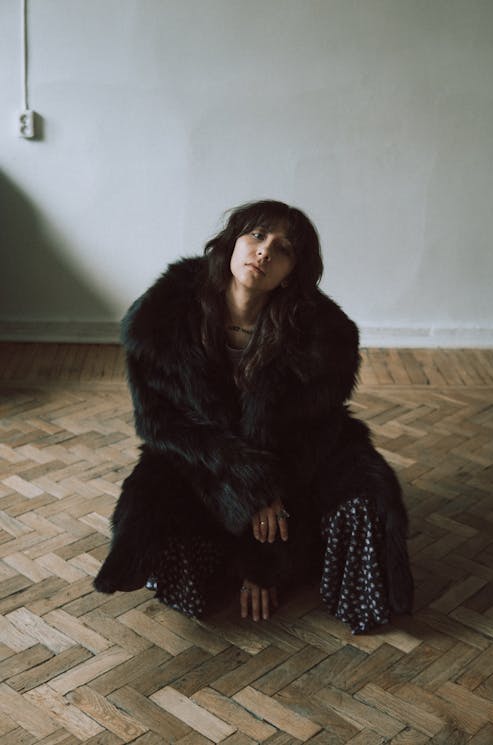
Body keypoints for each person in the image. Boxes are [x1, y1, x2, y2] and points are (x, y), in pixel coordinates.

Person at [94, 199, 413, 633]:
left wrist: (265, 556)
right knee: (160, 503)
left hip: (297, 462)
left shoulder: (323, 335)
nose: (264, 252)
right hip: (209, 459)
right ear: (232, 243)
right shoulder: (163, 315)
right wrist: (253, 487)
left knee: (365, 496)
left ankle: (305, 563)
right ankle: (227, 556)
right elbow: (159, 423)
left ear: (291, 274)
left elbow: (312, 433)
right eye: (257, 236)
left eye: (283, 249)